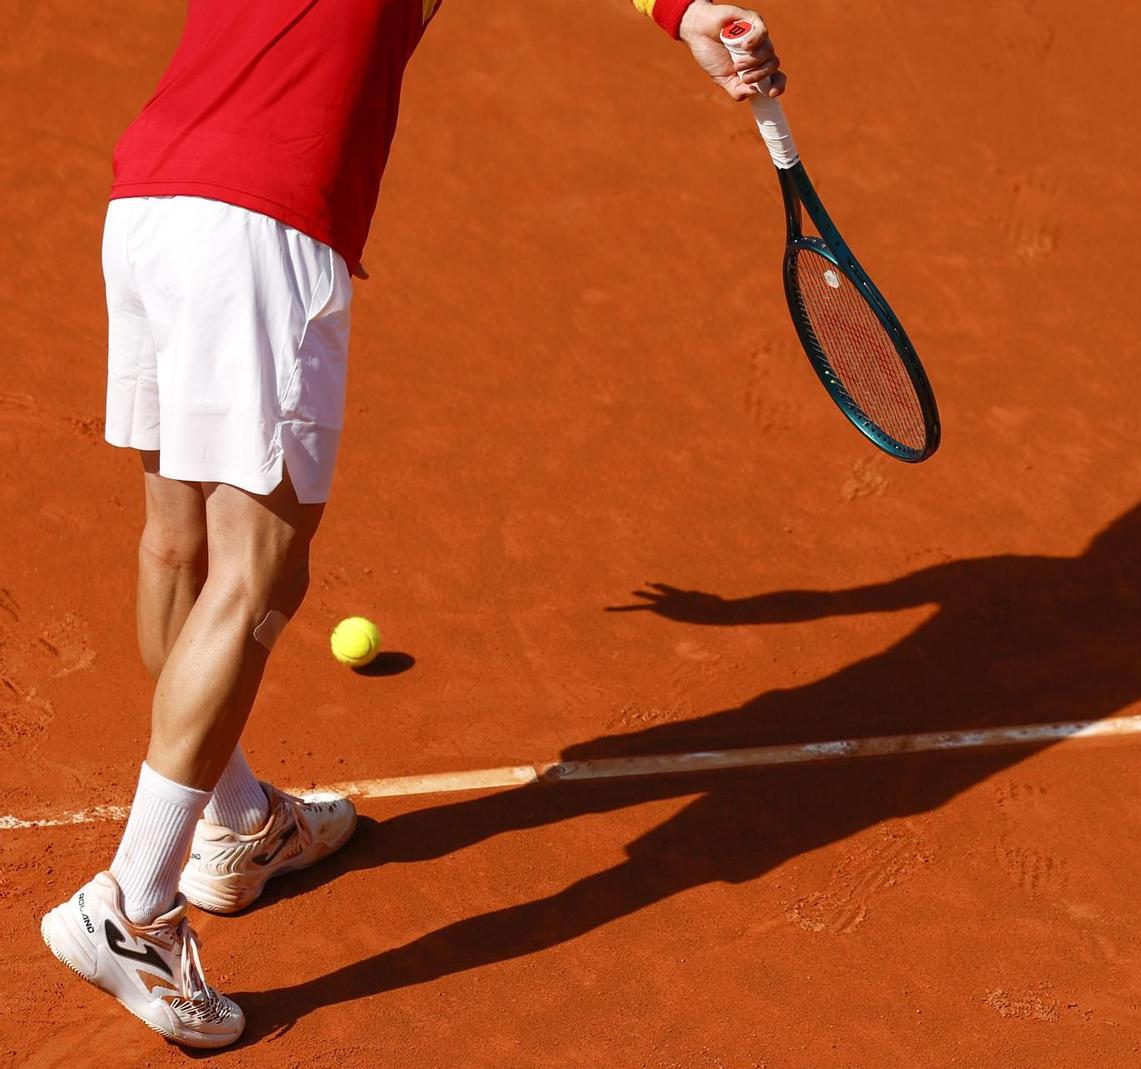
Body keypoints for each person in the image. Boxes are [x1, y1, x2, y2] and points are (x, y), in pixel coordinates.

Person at [38, 0, 784, 1049]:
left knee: (177, 544)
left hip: (150, 199)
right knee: (256, 574)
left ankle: (237, 821)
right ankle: (135, 904)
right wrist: (682, 11)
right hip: (264, 223)